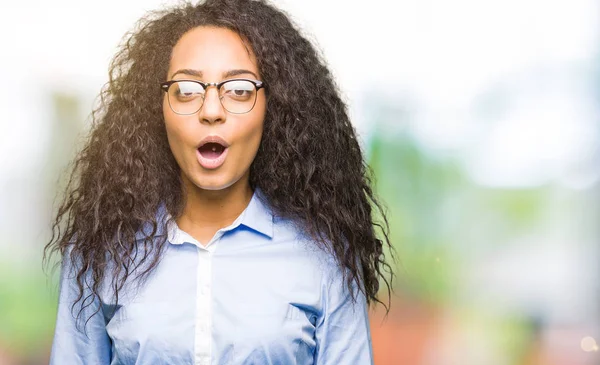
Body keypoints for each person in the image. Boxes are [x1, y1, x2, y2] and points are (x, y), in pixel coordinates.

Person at [44, 0, 395, 363]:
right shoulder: (101, 253)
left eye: (239, 90)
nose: (211, 111)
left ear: (273, 108)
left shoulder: (324, 258)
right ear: (156, 108)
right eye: (187, 90)